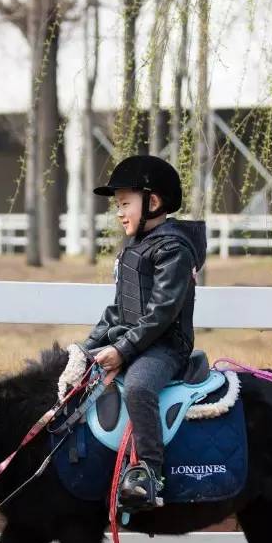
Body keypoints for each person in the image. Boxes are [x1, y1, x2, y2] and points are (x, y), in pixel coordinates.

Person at [81, 155, 207, 511]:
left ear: (152, 202)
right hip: (137, 339)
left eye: (125, 204)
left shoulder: (174, 250)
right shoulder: (135, 247)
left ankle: (149, 472)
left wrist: (121, 351)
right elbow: (118, 311)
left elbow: (162, 313)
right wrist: (86, 348)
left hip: (165, 346)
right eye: (117, 205)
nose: (119, 212)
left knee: (137, 385)